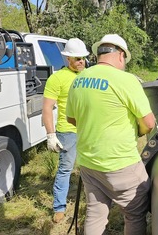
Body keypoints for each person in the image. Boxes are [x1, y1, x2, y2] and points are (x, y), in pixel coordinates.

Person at [66, 34, 155, 235]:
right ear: (121, 55)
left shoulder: (79, 80)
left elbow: (72, 119)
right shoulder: (126, 80)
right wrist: (138, 130)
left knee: (95, 214)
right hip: (121, 163)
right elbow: (149, 123)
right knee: (134, 214)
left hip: (89, 162)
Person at [42, 38, 89, 223]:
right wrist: (50, 134)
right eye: (77, 58)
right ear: (67, 59)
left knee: (92, 168)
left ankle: (92, 202)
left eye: (83, 58)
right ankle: (59, 207)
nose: (81, 62)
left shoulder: (89, 75)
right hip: (68, 132)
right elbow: (47, 108)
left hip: (89, 130)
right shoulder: (57, 78)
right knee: (65, 170)